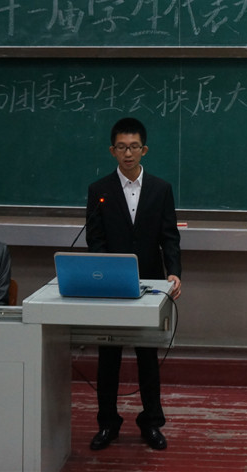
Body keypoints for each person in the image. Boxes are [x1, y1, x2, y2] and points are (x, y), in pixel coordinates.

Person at [85, 117, 182, 451]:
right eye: (122, 147)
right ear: (112, 150)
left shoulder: (160, 188)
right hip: (111, 285)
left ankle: (151, 422)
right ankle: (107, 423)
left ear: (145, 149)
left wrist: (174, 272)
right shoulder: (99, 191)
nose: (128, 153)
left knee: (147, 356)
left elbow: (170, 236)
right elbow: (95, 240)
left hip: (151, 284)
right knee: (108, 356)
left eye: (134, 147)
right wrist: (104, 273)